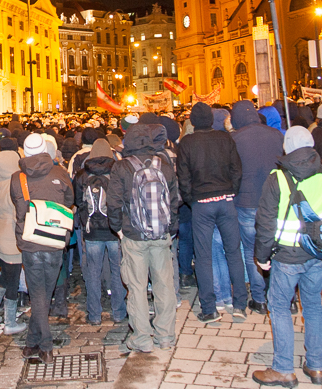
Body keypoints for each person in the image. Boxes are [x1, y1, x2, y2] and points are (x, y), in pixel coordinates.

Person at [252, 128, 322, 388]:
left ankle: (284, 369)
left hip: (287, 254)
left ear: (286, 147)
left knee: (279, 307)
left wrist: (262, 256)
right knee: (313, 306)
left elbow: (266, 221)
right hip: (317, 252)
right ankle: (316, 366)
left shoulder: (278, 178)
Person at [107, 124, 180, 354]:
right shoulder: (164, 164)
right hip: (161, 234)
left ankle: (142, 338)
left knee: (137, 287)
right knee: (164, 285)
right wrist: (171, 228)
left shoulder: (122, 167)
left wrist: (117, 229)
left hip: (133, 235)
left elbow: (113, 202)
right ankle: (165, 336)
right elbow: (174, 200)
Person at [176, 103, 247, 322]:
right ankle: (240, 304)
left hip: (201, 202)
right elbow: (237, 169)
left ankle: (209, 308)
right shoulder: (225, 138)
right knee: (233, 252)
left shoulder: (187, 143)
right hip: (225, 200)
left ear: (193, 121)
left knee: (203, 256)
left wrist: (191, 199)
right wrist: (232, 191)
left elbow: (183, 177)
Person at [11, 133, 74, 363]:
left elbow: (18, 207)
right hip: (54, 238)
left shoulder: (17, 178)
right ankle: (44, 345)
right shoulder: (60, 172)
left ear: (24, 152)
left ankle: (33, 342)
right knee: (44, 293)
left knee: (39, 293)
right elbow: (69, 201)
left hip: (30, 240)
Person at [229, 100, 284, 312]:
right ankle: (281, 296)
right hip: (275, 200)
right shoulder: (276, 135)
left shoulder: (235, 138)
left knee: (251, 250)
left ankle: (259, 299)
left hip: (247, 202)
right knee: (277, 248)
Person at [74, 138, 126, 325]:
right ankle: (119, 312)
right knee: (118, 271)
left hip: (92, 231)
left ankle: (95, 314)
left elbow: (77, 201)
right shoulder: (118, 171)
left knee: (93, 272)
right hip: (115, 230)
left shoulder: (82, 174)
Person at [0, 143, 27, 335]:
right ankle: (10, 322)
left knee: (6, 274)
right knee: (13, 278)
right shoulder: (19, 183)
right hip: (13, 238)